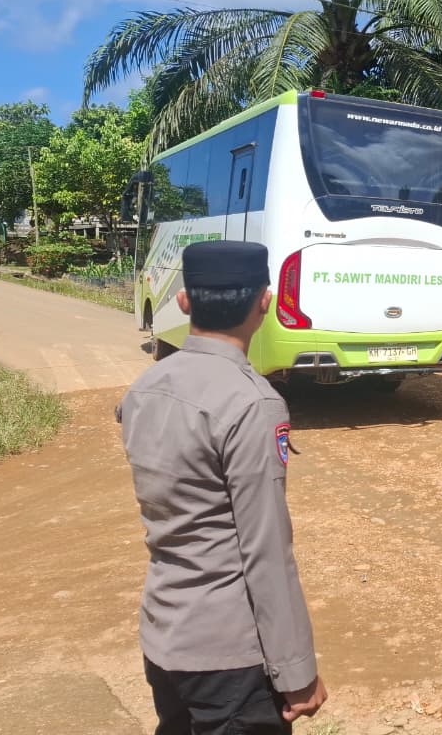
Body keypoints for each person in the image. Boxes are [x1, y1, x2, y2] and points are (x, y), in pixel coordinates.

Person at [117, 240, 327, 734]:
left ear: (185, 300)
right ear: (265, 302)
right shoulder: (252, 403)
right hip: (227, 654)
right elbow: (266, 550)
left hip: (164, 635)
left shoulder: (144, 389)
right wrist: (296, 671)